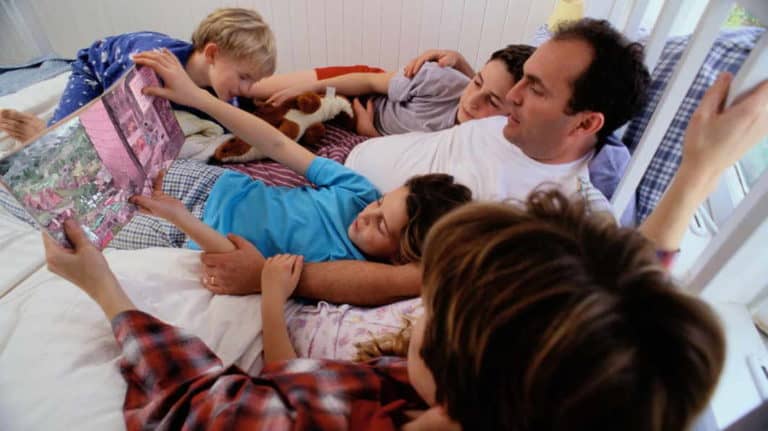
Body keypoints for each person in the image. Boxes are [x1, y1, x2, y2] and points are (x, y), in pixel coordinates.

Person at [42, 71, 768, 430]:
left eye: (433, 306)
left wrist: (105, 288)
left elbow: (199, 403)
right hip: (212, 199)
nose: (418, 309)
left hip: (197, 237)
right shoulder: (583, 391)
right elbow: (622, 315)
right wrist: (698, 173)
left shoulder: (352, 403)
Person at [198, 18, 651, 304]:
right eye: (522, 79)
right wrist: (464, 68)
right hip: (341, 162)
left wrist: (272, 277)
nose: (512, 96)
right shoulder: (514, 123)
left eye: (535, 88)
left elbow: (408, 281)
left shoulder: (554, 219)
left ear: (585, 123)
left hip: (338, 228)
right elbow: (482, 95)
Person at [115, 49, 471, 269]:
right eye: (381, 204)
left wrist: (179, 219)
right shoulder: (360, 192)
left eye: (382, 226)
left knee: (96, 232)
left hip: (189, 240)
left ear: (400, 256)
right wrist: (198, 98)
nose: (367, 215)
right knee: (113, 164)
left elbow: (245, 263)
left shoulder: (344, 264)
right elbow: (278, 145)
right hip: (213, 185)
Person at [0, 7, 276, 143]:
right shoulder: (147, 67)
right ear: (212, 53)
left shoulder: (222, 91)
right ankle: (42, 132)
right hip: (96, 69)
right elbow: (114, 114)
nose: (248, 88)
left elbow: (234, 125)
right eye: (244, 77)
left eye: (253, 81)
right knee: (63, 140)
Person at [262, 45, 534, 137]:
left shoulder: (477, 141)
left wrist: (370, 134)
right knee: (260, 91)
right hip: (365, 88)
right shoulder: (439, 80)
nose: (472, 101)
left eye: (492, 101)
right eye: (477, 82)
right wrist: (313, 86)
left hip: (362, 123)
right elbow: (369, 81)